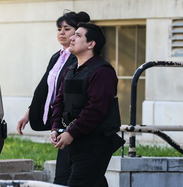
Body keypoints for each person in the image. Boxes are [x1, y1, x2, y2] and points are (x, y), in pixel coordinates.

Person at [16, 10, 90, 185]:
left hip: (74, 122)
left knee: (76, 175)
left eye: (67, 28)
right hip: (62, 123)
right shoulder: (57, 56)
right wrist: (29, 112)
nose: (61, 33)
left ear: (78, 32)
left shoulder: (79, 57)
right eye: (59, 29)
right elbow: (44, 88)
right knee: (72, 175)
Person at [50, 22, 125, 187]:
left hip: (94, 143)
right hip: (73, 141)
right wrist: (56, 127)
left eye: (78, 35)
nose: (72, 38)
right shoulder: (71, 69)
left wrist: (71, 132)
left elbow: (95, 109)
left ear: (91, 44)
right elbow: (59, 100)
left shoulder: (103, 72)